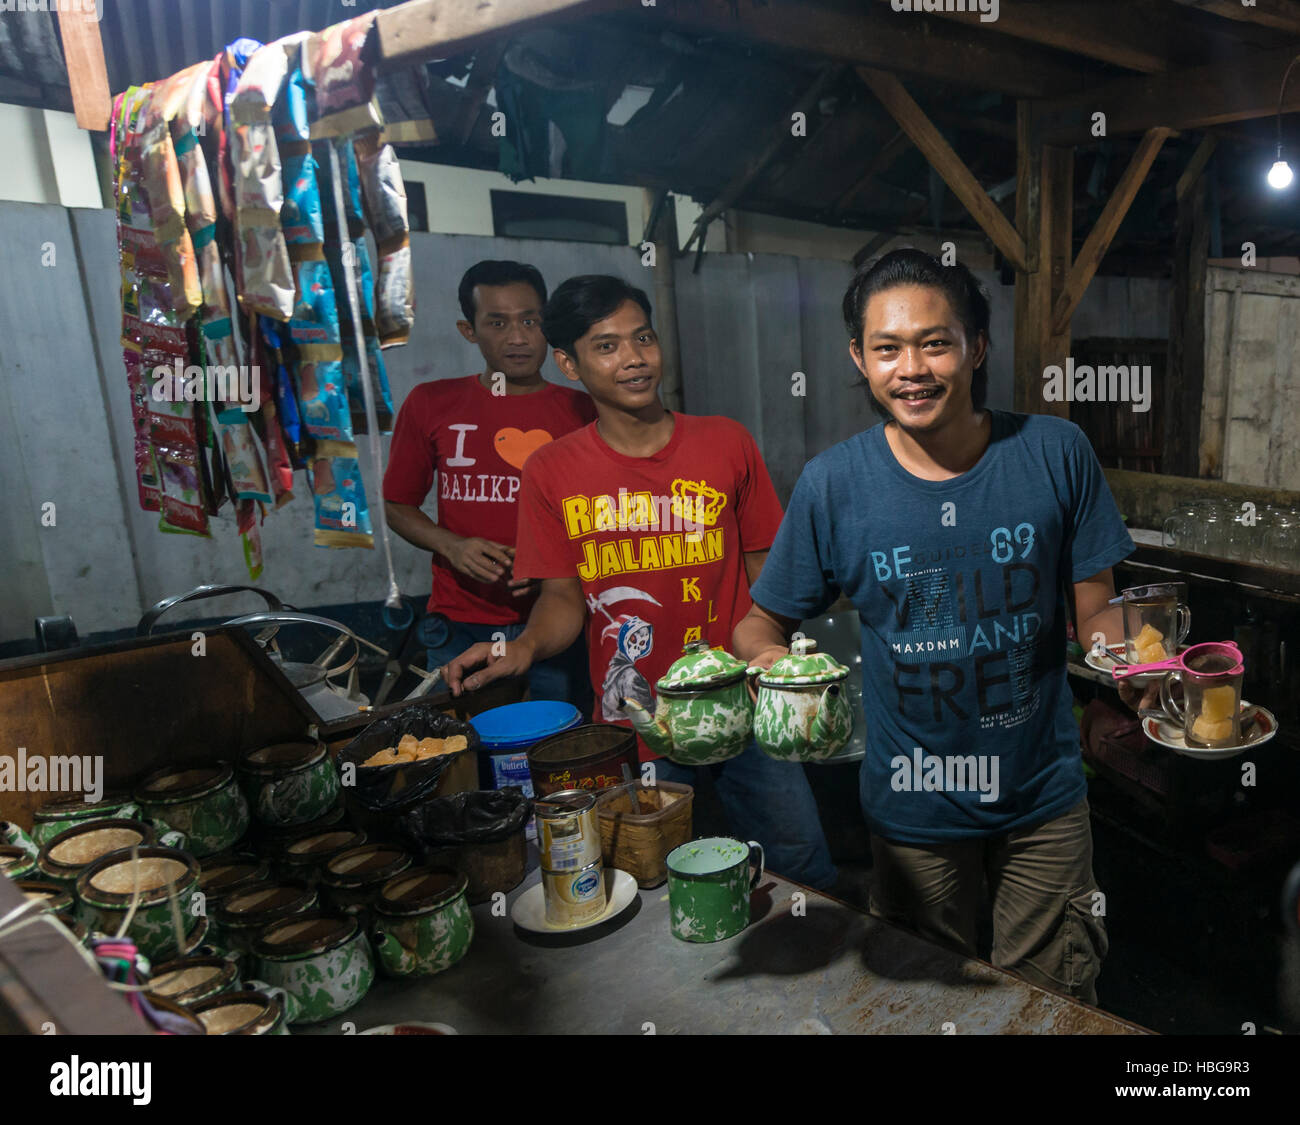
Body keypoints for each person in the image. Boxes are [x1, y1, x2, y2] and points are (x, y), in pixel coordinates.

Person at [733, 248, 1144, 1004]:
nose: (911, 368)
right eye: (887, 348)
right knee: (928, 1003)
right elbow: (760, 622)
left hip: (1043, 798)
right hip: (913, 802)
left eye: (935, 342)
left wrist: (1146, 663)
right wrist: (777, 673)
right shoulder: (836, 484)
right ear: (859, 356)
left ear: (976, 346)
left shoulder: (1056, 452)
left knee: (1052, 1001)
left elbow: (1098, 613)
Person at [444, 274, 838, 890]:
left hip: (743, 704)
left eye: (643, 338)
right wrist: (519, 647)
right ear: (569, 363)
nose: (633, 359)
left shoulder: (726, 443)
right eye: (606, 346)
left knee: (800, 866)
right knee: (656, 878)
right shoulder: (551, 471)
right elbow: (562, 600)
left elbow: (770, 577)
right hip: (638, 721)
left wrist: (780, 654)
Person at [384, 260, 596, 704]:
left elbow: (609, 517)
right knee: (468, 754)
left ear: (548, 325)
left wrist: (556, 572)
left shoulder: (585, 412)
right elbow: (397, 505)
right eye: (497, 322)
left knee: (554, 752)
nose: (517, 337)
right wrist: (453, 546)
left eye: (530, 321)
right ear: (469, 330)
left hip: (563, 619)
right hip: (461, 622)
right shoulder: (431, 403)